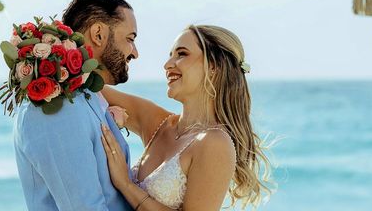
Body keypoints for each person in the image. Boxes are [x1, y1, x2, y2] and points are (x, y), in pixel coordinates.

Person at [100, 24, 272, 210]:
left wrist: (126, 185)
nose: (167, 65)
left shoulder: (215, 143)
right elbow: (92, 87)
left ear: (213, 66)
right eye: (170, 55)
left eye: (181, 54)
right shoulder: (159, 124)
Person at [13, 0, 139, 211]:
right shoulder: (56, 108)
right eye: (130, 39)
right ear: (98, 33)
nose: (135, 53)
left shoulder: (87, 98)